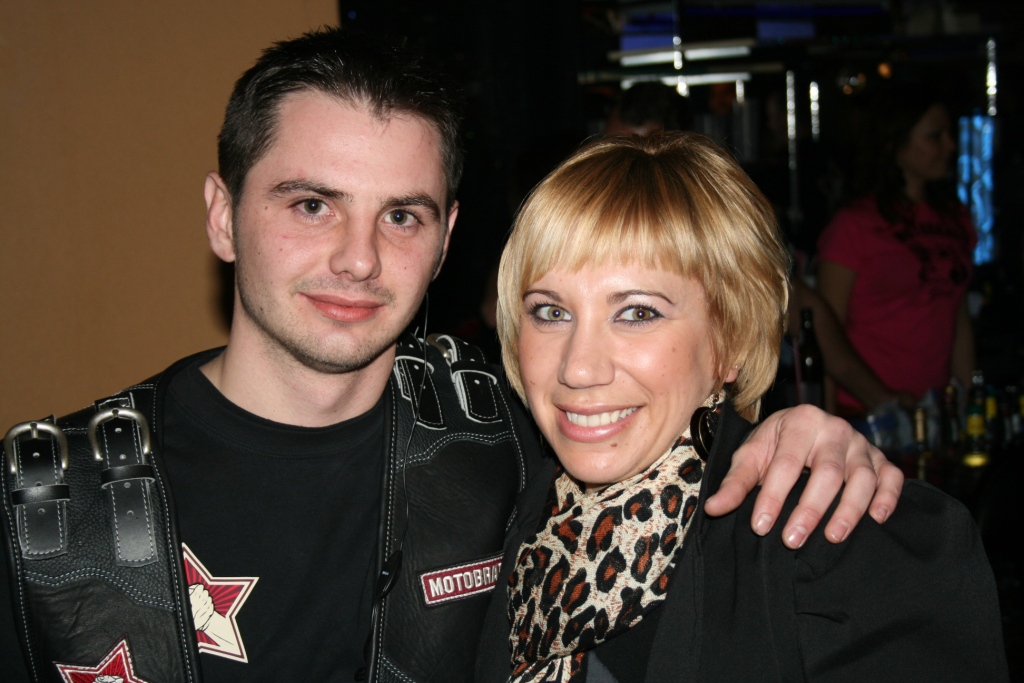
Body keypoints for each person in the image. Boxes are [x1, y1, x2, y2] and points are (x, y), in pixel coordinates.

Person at [0, 29, 901, 683]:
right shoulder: (52, 510)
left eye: (402, 215)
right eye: (312, 204)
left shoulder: (515, 437)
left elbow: (673, 443)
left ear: (445, 239)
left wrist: (796, 433)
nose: (359, 258)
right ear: (223, 215)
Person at [476, 132, 1007, 681]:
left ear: (730, 340)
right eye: (551, 312)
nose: (578, 369)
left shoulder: (841, 551)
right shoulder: (512, 507)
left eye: (637, 313)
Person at [817, 87, 975, 415]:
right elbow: (824, 331)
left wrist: (965, 398)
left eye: (949, 135)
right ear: (895, 143)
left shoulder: (955, 218)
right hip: (868, 413)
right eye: (935, 136)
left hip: (934, 411)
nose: (950, 146)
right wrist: (837, 414)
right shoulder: (855, 225)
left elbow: (957, 314)